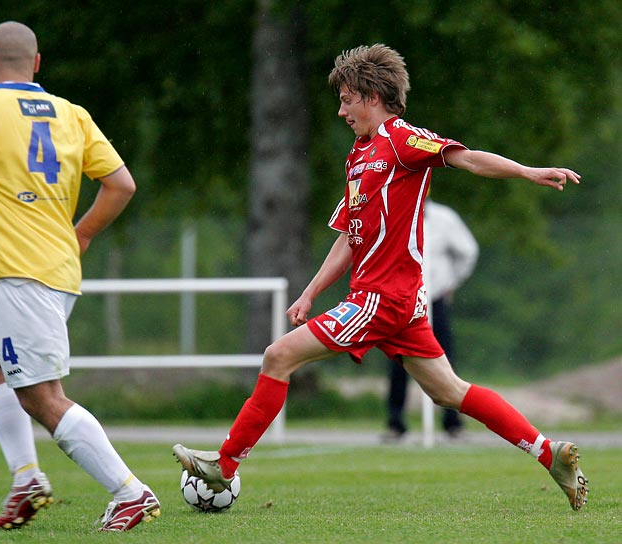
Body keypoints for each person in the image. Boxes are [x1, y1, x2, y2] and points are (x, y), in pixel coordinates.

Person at [172, 43, 588, 512]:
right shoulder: (359, 157)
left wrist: (529, 172)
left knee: (277, 356)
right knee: (449, 391)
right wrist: (310, 292)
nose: (341, 110)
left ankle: (223, 467)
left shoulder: (403, 140)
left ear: (372, 96)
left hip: (383, 298)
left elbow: (468, 158)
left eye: (347, 99)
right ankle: (548, 452)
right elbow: (350, 237)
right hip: (397, 303)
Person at [0, 21, 160, 531]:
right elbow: (120, 184)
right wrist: (84, 233)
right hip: (57, 268)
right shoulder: (71, 114)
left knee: (40, 395)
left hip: (19, 274)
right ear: (37, 63)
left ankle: (130, 492)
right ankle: (27, 476)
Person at [386, 198, 479, 438]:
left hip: (434, 298)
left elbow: (468, 252)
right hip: (402, 298)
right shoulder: (393, 214)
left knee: (444, 357)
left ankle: (453, 422)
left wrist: (450, 283)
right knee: (398, 357)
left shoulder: (444, 218)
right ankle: (395, 421)